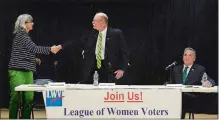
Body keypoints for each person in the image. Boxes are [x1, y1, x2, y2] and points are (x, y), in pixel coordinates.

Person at [8, 14, 60, 119]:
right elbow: (33, 48)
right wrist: (50, 49)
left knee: (29, 98)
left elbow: (24, 52)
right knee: (16, 98)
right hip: (17, 71)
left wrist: (33, 59)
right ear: (24, 23)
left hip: (28, 71)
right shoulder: (21, 35)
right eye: (30, 22)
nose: (32, 23)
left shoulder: (25, 36)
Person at [56, 12, 129, 84]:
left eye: (94, 20)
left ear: (102, 22)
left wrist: (122, 69)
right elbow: (77, 42)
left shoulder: (116, 33)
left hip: (109, 68)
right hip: (93, 66)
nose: (92, 22)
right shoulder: (92, 34)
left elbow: (124, 53)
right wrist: (61, 46)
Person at [171, 47, 215, 119]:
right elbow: (171, 82)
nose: (187, 57)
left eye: (190, 55)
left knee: (181, 97)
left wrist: (209, 83)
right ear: (182, 57)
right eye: (185, 55)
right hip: (176, 97)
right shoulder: (176, 69)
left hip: (191, 98)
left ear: (194, 58)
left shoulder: (199, 69)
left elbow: (211, 80)